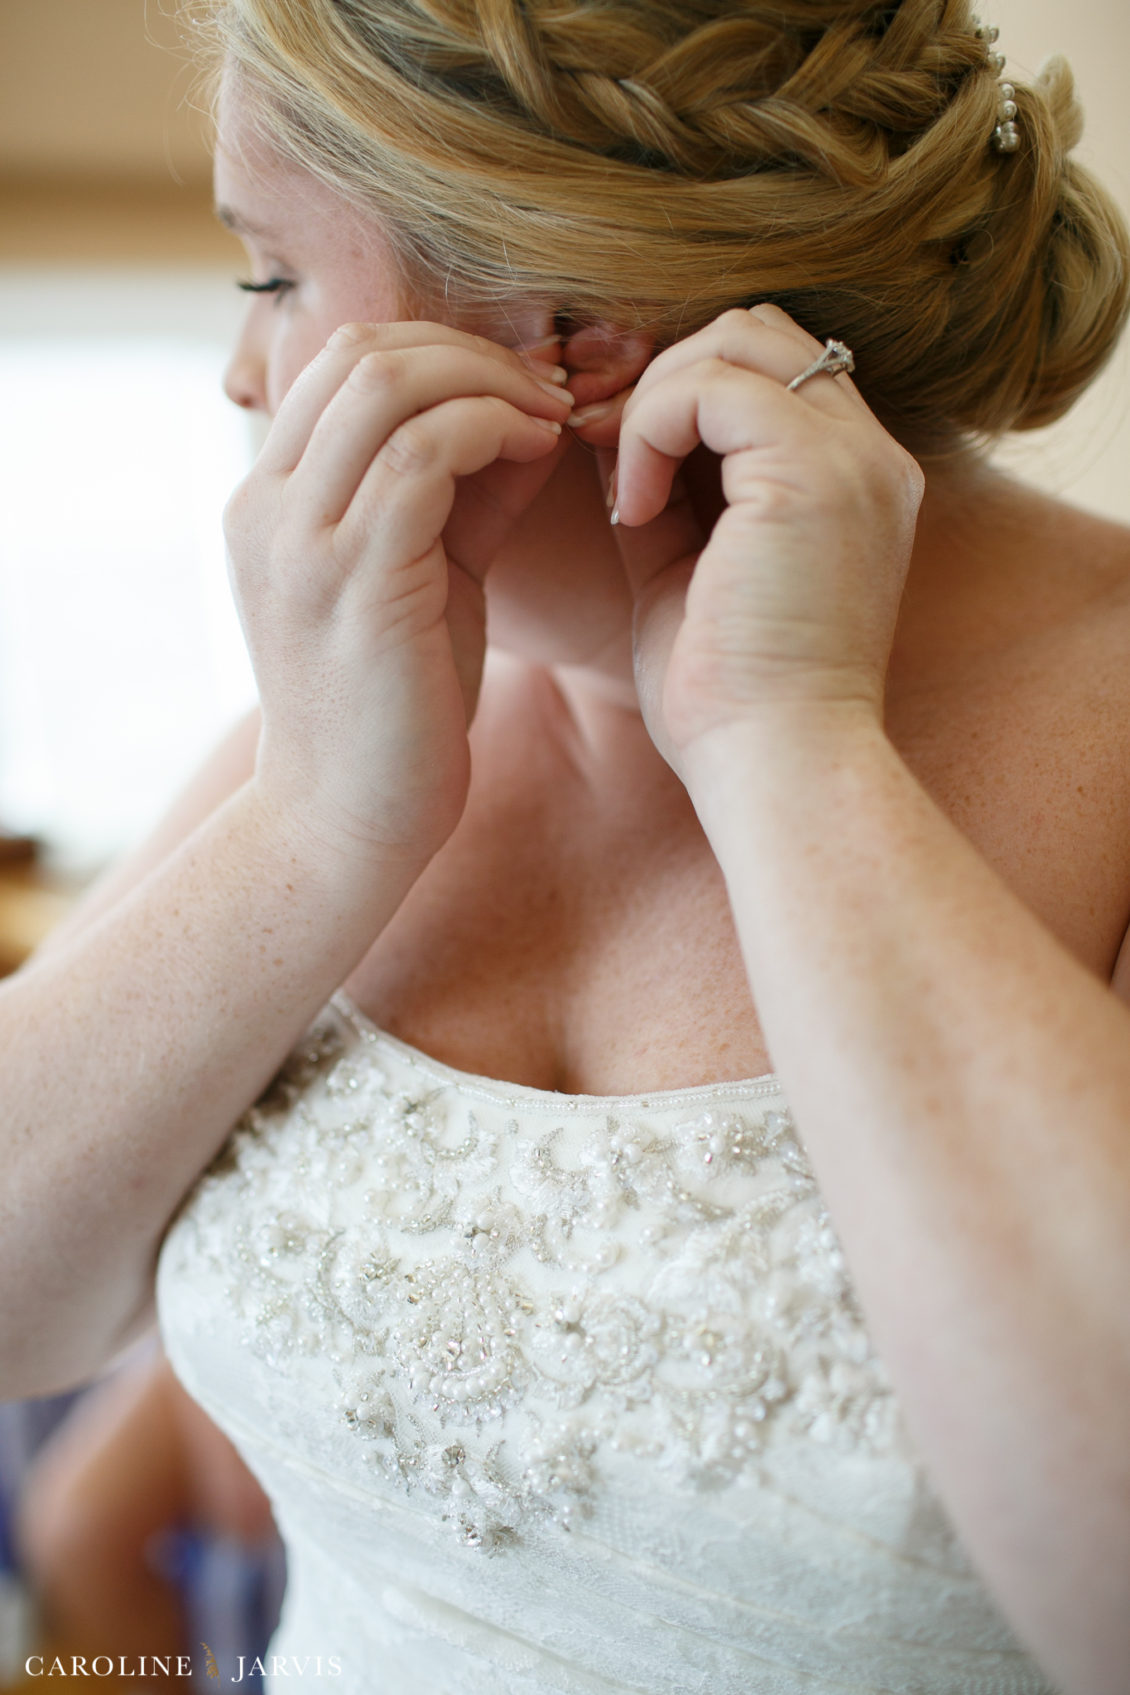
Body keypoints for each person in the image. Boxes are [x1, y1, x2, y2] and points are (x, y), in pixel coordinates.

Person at [2, 0, 1129, 1688]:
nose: (244, 371)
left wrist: (789, 746)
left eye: (271, 277)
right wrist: (318, 820)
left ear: (568, 339)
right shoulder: (350, 715)